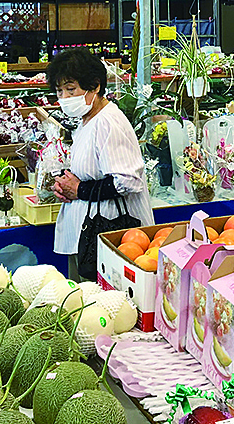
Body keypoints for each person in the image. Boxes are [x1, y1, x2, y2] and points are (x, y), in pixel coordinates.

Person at [48, 48, 154, 280]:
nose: (65, 98)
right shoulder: (87, 119)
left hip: (112, 238)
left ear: (95, 86)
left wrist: (80, 190)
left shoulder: (108, 122)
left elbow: (127, 181)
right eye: (59, 91)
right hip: (87, 238)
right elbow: (90, 168)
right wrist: (65, 184)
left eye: (71, 89)